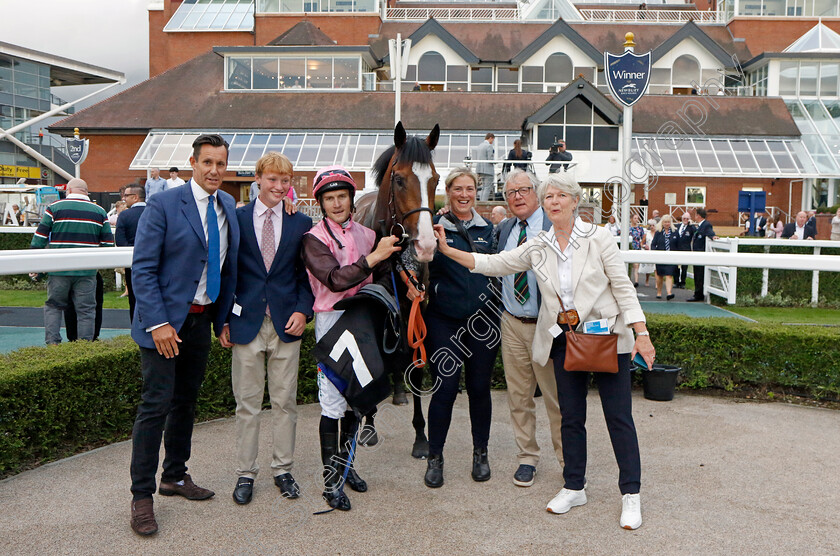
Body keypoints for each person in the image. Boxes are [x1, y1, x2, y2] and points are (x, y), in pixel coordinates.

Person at [432, 171, 654, 530]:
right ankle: (574, 486)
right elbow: (494, 264)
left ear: (574, 201)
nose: (553, 202)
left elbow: (624, 288)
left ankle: (631, 494)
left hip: (606, 339)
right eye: (548, 197)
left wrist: (640, 333)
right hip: (564, 341)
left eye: (559, 196)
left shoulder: (598, 238)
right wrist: (447, 250)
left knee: (619, 418)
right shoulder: (539, 245)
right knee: (570, 417)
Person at [128, 134, 240, 536]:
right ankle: (141, 497)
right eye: (207, 162)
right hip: (164, 326)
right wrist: (158, 324)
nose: (214, 171)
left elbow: (228, 270)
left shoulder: (228, 205)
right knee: (155, 406)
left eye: (220, 164)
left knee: (186, 402)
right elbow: (142, 269)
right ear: (193, 163)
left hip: (200, 321)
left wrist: (223, 317)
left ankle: (174, 475)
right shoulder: (161, 204)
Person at [301, 165, 400, 512]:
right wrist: (374, 258)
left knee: (356, 398)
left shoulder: (368, 234)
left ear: (350, 198)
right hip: (332, 324)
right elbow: (334, 279)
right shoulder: (313, 238)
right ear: (322, 203)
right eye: (330, 198)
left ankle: (347, 467)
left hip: (363, 322)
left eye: (342, 196)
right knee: (332, 402)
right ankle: (331, 484)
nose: (337, 203)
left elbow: (386, 277)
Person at [221, 152, 315, 505]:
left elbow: (307, 275)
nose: (279, 186)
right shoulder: (237, 218)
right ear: (257, 179)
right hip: (245, 323)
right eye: (273, 179)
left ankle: (283, 469)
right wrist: (223, 321)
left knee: (285, 401)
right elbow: (226, 272)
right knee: (246, 404)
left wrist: (304, 311)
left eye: (285, 180)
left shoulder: (300, 222)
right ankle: (246, 473)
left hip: (286, 323)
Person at [423, 167, 499, 489]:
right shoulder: (436, 226)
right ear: (448, 192)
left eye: (469, 189)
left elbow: (498, 268)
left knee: (480, 390)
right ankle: (435, 457)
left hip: (483, 324)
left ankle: (480, 453)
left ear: (476, 192)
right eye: (458, 189)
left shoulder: (490, 231)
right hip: (444, 322)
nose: (464, 195)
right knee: (445, 390)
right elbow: (415, 261)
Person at [494, 169, 563, 488]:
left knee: (557, 398)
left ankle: (567, 460)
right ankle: (527, 457)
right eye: (510, 193)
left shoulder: (556, 225)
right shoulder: (505, 228)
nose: (517, 197)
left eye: (523, 190)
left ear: (536, 193)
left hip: (548, 327)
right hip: (511, 324)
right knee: (519, 396)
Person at [29, 178, 114, 345]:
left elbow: (39, 239)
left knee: (54, 306)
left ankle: (53, 344)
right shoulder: (100, 212)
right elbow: (108, 244)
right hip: (87, 271)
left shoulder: (54, 208)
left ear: (68, 191)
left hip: (58, 269)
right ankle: (84, 348)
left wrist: (35, 265)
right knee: (86, 311)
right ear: (86, 192)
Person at [116, 186, 147, 322]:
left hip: (133, 264)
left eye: (126, 195)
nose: (124, 198)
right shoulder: (157, 212)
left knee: (134, 300)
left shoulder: (124, 215)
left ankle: (135, 330)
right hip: (158, 263)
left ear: (135, 197)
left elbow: (120, 241)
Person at [687, 207, 717, 302]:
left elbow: (710, 232)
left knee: (699, 275)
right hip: (697, 255)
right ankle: (698, 293)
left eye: (695, 215)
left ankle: (698, 294)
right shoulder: (700, 225)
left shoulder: (706, 225)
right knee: (697, 274)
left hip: (701, 255)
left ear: (698, 216)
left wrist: (713, 236)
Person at [651, 214, 678, 300]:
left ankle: (669, 293)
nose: (667, 224)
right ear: (662, 223)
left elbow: (678, 244)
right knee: (660, 276)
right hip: (660, 257)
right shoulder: (658, 232)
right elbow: (653, 244)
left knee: (669, 275)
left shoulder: (675, 232)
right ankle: (659, 292)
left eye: (668, 222)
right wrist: (655, 254)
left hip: (671, 257)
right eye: (665, 222)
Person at [473, 132, 496, 201]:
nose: (493, 141)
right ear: (490, 138)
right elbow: (490, 159)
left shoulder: (480, 146)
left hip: (480, 169)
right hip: (488, 170)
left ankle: (481, 202)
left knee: (483, 187)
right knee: (487, 187)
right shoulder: (489, 146)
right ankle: (484, 202)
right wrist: (495, 162)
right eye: (493, 140)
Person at [675, 212, 695, 288]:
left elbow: (695, 232)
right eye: (684, 218)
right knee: (676, 267)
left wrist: (691, 224)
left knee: (684, 267)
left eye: (687, 218)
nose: (685, 220)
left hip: (686, 249)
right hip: (677, 249)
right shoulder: (678, 226)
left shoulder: (691, 228)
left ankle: (683, 282)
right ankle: (676, 282)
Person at [628, 213, 646, 287]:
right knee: (629, 264)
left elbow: (644, 236)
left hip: (637, 246)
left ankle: (636, 281)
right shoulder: (628, 228)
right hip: (629, 247)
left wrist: (642, 242)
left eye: (637, 218)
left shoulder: (640, 228)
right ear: (631, 219)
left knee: (636, 265)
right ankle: (628, 279)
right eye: (635, 218)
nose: (636, 220)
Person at [639, 220, 657, 287]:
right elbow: (641, 243)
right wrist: (644, 246)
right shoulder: (646, 234)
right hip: (648, 251)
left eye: (653, 225)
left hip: (656, 252)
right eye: (651, 225)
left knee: (656, 268)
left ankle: (657, 283)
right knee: (648, 268)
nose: (652, 227)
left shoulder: (657, 234)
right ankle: (647, 279)